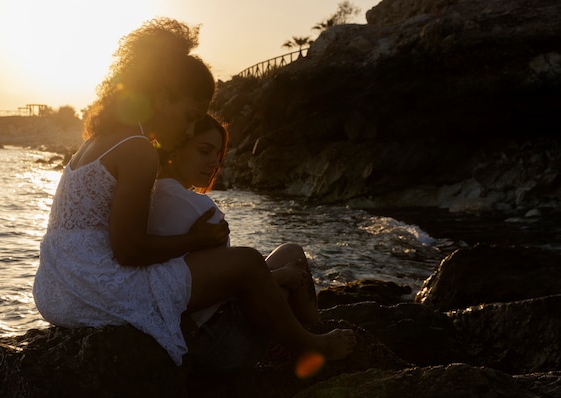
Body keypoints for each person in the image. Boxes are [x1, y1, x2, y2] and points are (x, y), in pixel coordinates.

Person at [33, 17, 354, 369]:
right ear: (161, 96)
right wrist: (195, 239)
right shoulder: (137, 148)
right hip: (97, 286)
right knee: (246, 262)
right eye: (189, 116)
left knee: (239, 269)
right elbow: (129, 250)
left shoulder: (99, 140)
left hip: (56, 287)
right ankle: (311, 345)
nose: (188, 129)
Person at [149, 114, 320, 372]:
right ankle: (315, 336)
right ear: (174, 148)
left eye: (218, 154)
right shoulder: (200, 209)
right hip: (221, 342)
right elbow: (232, 290)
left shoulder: (145, 197)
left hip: (173, 335)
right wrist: (280, 276)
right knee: (292, 254)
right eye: (204, 151)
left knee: (282, 260)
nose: (214, 163)